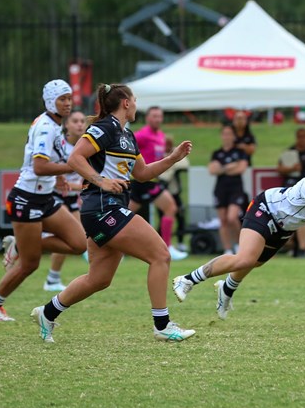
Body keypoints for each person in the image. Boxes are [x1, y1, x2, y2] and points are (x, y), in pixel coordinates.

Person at [30, 83, 195, 344]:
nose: (137, 105)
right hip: (104, 207)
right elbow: (75, 158)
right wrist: (101, 181)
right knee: (160, 255)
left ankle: (48, 312)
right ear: (126, 103)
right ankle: (162, 325)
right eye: (135, 100)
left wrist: (172, 158)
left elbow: (141, 174)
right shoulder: (104, 127)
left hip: (108, 208)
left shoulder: (127, 135)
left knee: (99, 279)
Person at [172, 155, 305, 317]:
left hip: (284, 227)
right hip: (266, 209)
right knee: (245, 258)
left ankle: (226, 288)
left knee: (253, 263)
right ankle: (187, 280)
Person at [0, 80, 87, 321]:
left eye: (69, 98)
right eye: (62, 99)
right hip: (26, 199)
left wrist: (60, 174)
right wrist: (69, 167)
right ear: (50, 101)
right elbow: (39, 166)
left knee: (79, 243)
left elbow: (50, 161)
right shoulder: (47, 126)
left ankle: (20, 244)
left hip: (44, 198)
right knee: (30, 264)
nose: (68, 103)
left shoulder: (54, 125)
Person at [129, 106, 188, 260]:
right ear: (147, 118)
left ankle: (167, 247)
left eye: (159, 116)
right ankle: (113, 248)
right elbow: (126, 148)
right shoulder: (141, 135)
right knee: (124, 216)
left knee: (169, 207)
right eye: (154, 116)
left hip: (152, 181)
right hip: (141, 181)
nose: (157, 119)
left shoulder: (161, 136)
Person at [42, 109, 87, 291]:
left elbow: (85, 178)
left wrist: (82, 188)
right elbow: (53, 177)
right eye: (75, 121)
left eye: (82, 121)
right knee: (72, 239)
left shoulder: (86, 148)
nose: (79, 124)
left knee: (79, 239)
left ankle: (53, 279)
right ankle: (51, 278)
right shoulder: (60, 146)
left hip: (71, 199)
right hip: (54, 198)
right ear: (66, 124)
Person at [276, 127, 305, 257]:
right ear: (296, 137)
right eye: (299, 136)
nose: (302, 139)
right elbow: (279, 169)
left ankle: (302, 249)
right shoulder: (290, 152)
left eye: (304, 136)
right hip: (291, 189)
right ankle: (292, 246)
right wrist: (291, 168)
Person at [210, 125, 250, 255]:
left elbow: (241, 169)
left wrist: (221, 168)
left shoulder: (240, 152)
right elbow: (212, 170)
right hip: (220, 189)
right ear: (222, 136)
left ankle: (239, 246)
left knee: (232, 217)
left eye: (229, 134)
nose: (227, 136)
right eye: (224, 134)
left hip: (236, 188)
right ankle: (227, 250)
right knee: (223, 220)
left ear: (233, 136)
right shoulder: (217, 153)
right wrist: (229, 166)